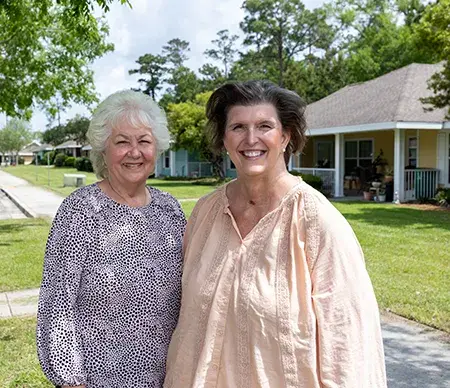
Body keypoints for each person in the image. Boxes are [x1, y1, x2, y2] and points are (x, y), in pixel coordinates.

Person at [164, 81, 387, 387]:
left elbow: (348, 346)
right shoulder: (206, 213)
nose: (251, 138)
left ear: (285, 136)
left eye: (264, 126)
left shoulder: (317, 222)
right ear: (225, 140)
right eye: (238, 127)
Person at [37, 90, 186, 388]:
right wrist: (71, 381)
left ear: (157, 148)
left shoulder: (170, 210)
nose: (134, 152)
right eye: (122, 142)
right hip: (96, 380)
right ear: (103, 150)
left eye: (144, 141)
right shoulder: (81, 210)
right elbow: (58, 304)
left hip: (168, 379)